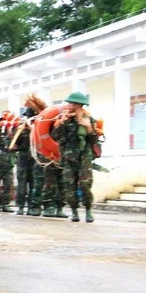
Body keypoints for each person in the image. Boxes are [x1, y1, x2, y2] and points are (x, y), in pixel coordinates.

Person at [52, 92, 100, 223]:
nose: (68, 105)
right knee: (69, 185)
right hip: (68, 157)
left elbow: (94, 140)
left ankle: (88, 210)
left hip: (84, 156)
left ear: (78, 104)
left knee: (85, 185)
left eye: (71, 103)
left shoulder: (89, 120)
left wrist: (88, 127)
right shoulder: (66, 119)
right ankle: (74, 211)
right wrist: (62, 122)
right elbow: (55, 136)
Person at [12, 100, 43, 216]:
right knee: (22, 184)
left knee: (34, 183)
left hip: (35, 158)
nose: (28, 118)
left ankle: (32, 206)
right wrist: (19, 131)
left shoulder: (39, 128)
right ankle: (20, 206)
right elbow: (14, 144)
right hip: (23, 158)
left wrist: (33, 130)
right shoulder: (21, 129)